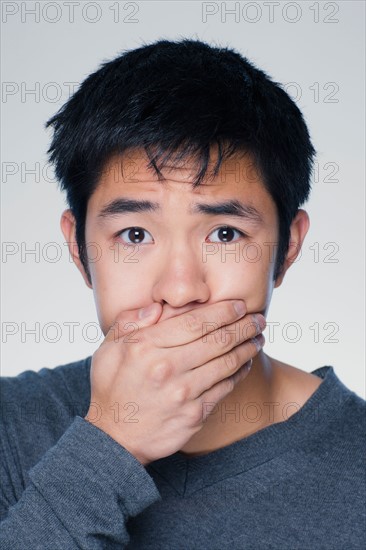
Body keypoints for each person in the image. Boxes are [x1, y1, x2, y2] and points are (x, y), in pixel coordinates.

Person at [1, 38, 364, 549]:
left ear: (287, 248)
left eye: (224, 234)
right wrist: (109, 446)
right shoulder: (9, 429)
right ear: (79, 250)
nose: (180, 289)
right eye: (135, 235)